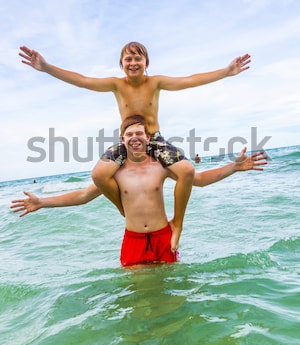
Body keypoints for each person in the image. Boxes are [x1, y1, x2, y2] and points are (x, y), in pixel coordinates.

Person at [19, 42, 251, 248]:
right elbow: (83, 81)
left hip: (154, 138)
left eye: (137, 58)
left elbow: (189, 81)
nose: (133, 62)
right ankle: (124, 209)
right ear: (121, 64)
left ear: (146, 62)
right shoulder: (116, 85)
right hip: (129, 139)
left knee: (188, 170)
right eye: (128, 59)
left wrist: (226, 71)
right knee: (99, 174)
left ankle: (177, 224)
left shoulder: (156, 82)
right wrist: (47, 67)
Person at [11, 115, 267, 266]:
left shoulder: (162, 166)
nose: (135, 137)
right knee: (138, 301)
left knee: (170, 296)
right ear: (121, 140)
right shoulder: (117, 173)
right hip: (132, 241)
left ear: (148, 138)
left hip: (164, 237)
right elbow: (82, 196)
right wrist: (43, 202)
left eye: (139, 133)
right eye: (129, 134)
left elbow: (197, 179)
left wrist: (233, 168)